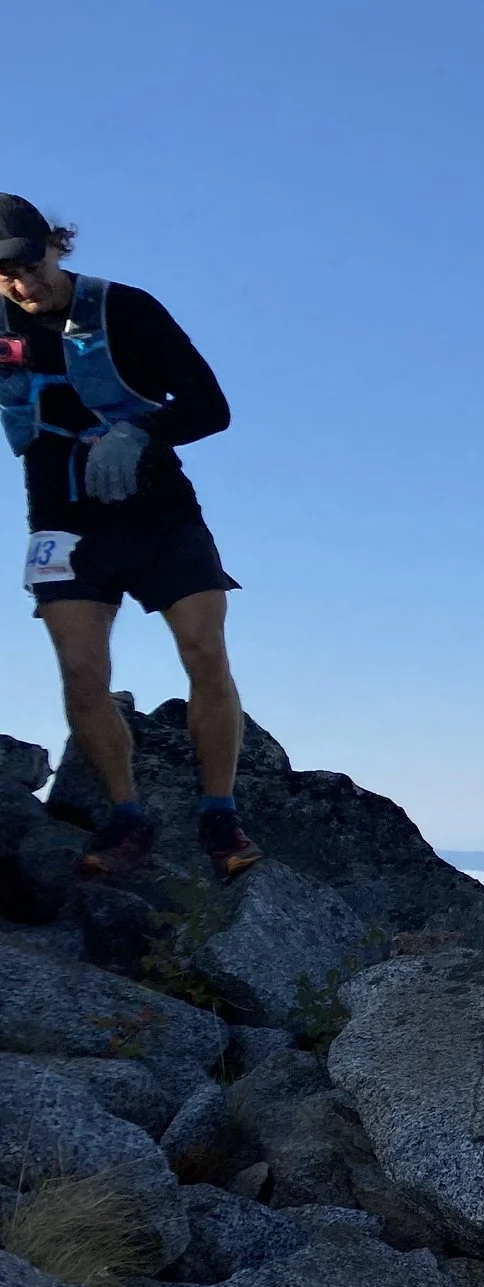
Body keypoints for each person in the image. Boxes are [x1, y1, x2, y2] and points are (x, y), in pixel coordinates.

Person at [0, 194, 261, 878]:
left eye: (27, 263)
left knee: (205, 650)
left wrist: (140, 429)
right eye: (1, 275)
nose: (20, 284)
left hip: (160, 511)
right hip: (61, 518)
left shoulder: (126, 309)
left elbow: (212, 406)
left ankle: (219, 812)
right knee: (83, 671)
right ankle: (126, 818)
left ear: (55, 244)